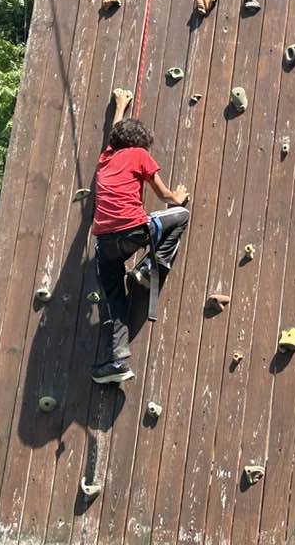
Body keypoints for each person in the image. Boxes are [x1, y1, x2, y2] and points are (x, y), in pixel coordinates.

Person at [90, 88, 190, 384]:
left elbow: (113, 134)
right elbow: (163, 194)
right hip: (134, 230)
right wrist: (178, 196)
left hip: (104, 243)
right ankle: (148, 267)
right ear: (140, 143)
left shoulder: (106, 158)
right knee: (180, 216)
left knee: (116, 300)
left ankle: (118, 361)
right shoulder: (140, 154)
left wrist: (120, 105)